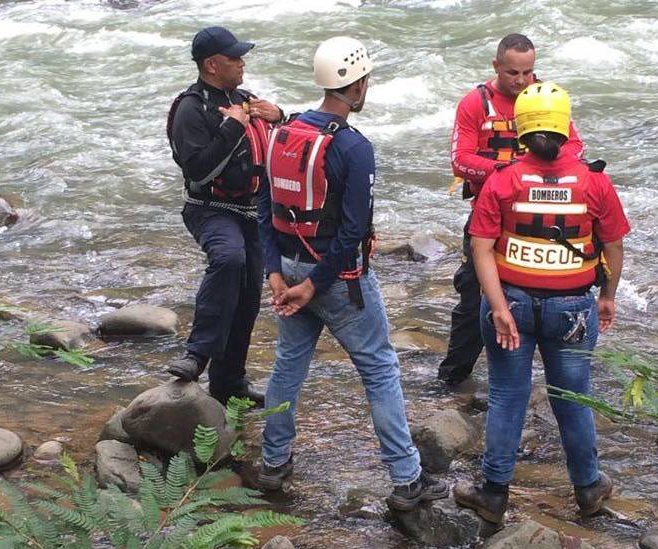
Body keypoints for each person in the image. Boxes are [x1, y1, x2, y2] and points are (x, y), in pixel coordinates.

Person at [255, 36, 448, 511]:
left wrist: (276, 275)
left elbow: (264, 208)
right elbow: (352, 231)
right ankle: (407, 479)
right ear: (358, 85)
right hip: (337, 280)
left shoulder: (283, 131)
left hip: (291, 269)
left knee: (288, 364)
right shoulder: (353, 147)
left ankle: (273, 464)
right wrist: (312, 286)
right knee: (380, 370)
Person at [453, 82, 629, 525]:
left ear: (519, 131)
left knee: (507, 395)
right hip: (571, 308)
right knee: (572, 396)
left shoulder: (501, 180)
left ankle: (493, 495)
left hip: (509, 301)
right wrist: (607, 297)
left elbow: (481, 247)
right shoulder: (594, 182)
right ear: (566, 128)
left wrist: (496, 307)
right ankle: (588, 488)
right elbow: (612, 246)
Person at [439, 33, 585, 387]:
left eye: (527, 73)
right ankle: (453, 378)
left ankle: (549, 377)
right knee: (475, 295)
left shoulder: (546, 99)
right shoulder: (476, 104)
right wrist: (509, 174)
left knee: (551, 294)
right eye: (512, 74)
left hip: (537, 213)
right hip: (488, 212)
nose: (521, 82)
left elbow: (575, 148)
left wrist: (529, 175)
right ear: (496, 67)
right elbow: (461, 161)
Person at [166, 26, 285, 406]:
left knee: (249, 291)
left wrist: (281, 116)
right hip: (209, 209)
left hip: (252, 211)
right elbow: (199, 170)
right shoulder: (190, 109)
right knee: (228, 257)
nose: (242, 62)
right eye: (234, 58)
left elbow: (289, 144)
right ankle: (197, 354)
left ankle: (229, 381)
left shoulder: (246, 98)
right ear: (212, 65)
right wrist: (234, 125)